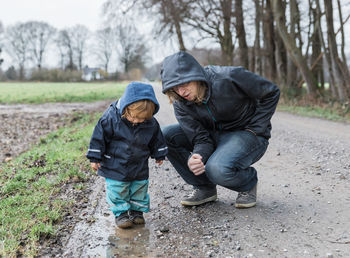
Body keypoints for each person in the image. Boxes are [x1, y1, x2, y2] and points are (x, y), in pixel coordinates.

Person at [160, 51, 280, 208]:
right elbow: (201, 138)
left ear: (195, 76)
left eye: (184, 84)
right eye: (175, 88)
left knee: (217, 169)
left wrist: (256, 128)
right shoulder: (180, 102)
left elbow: (271, 92)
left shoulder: (229, 77)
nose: (181, 92)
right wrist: (198, 156)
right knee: (165, 135)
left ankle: (247, 183)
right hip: (213, 136)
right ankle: (204, 188)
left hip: (246, 134)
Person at [86, 82, 168, 228]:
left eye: (142, 119)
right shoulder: (110, 118)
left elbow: (157, 138)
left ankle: (137, 211)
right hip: (115, 164)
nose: (137, 121)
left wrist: (159, 154)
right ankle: (121, 214)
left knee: (139, 187)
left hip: (139, 163)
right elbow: (99, 138)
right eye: (134, 117)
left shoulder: (150, 123)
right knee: (118, 189)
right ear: (126, 108)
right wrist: (95, 157)